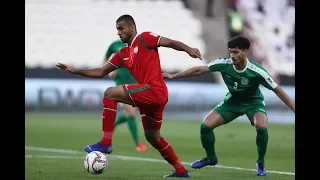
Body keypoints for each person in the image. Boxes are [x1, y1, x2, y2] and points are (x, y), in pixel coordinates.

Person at [56, 14, 202, 178]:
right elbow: (101, 72)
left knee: (110, 93)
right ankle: (180, 171)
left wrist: (189, 49)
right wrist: (75, 71)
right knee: (153, 137)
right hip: (150, 97)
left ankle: (105, 143)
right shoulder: (122, 53)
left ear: (132, 28)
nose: (118, 32)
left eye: (121, 28)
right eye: (117, 29)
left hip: (155, 90)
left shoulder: (145, 38)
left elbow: (172, 43)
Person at [162, 36, 295, 177]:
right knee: (205, 127)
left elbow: (278, 90)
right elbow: (199, 70)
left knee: (261, 126)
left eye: (236, 52)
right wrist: (174, 76)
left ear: (245, 52)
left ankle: (260, 162)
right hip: (232, 102)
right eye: (231, 52)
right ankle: (211, 158)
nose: (232, 55)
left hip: (253, 103)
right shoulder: (224, 64)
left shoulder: (257, 71)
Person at [104, 40, 148, 152]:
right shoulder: (114, 45)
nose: (121, 32)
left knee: (129, 113)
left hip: (134, 81)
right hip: (120, 80)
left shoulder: (137, 45)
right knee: (130, 111)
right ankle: (138, 144)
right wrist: (109, 71)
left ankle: (112, 125)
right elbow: (106, 58)